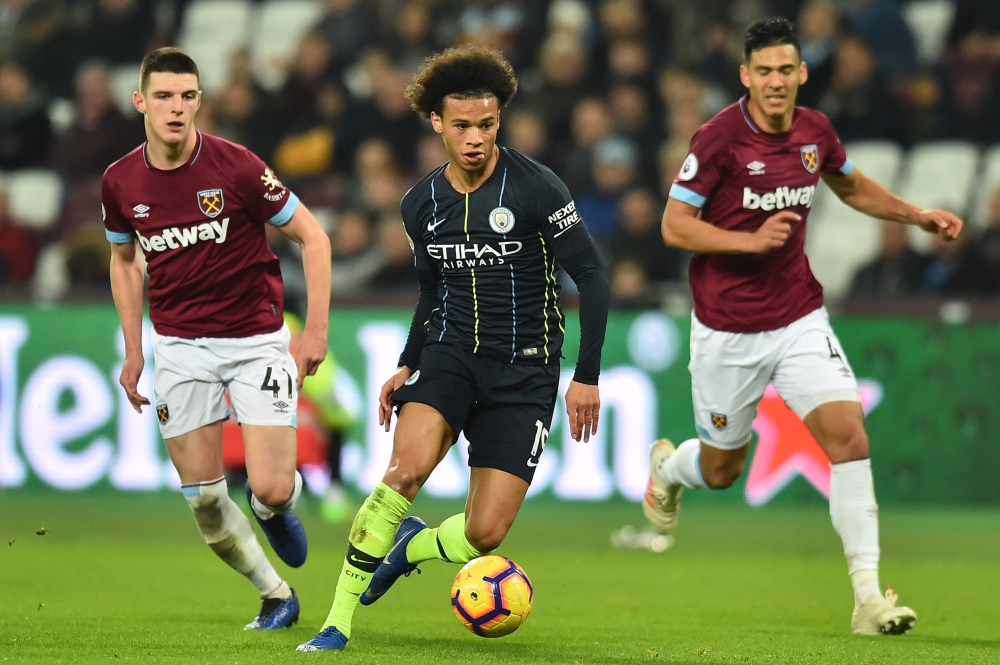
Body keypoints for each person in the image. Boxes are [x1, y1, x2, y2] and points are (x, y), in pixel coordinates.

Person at [646, 19, 962, 637]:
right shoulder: (717, 140)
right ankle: (667, 471)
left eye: (786, 70)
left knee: (848, 436)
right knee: (720, 472)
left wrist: (914, 214)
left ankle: (868, 597)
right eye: (763, 71)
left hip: (797, 316)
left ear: (802, 73)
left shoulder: (815, 130)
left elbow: (849, 185)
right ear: (746, 76)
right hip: (728, 331)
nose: (775, 82)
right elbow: (675, 226)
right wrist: (747, 240)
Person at [298, 45, 609, 652]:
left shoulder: (537, 188)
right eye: (462, 125)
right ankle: (336, 622)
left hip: (526, 372)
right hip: (450, 357)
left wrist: (586, 375)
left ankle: (410, 546)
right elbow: (431, 290)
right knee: (403, 471)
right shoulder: (420, 205)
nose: (475, 138)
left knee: (484, 534)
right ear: (437, 123)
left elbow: (592, 278)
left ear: (500, 122)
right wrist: (408, 361)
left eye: (487, 125)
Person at [101, 48, 332, 630]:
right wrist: (134, 349)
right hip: (179, 348)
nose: (176, 108)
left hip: (256, 340)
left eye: (186, 96)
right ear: (141, 102)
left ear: (199, 101)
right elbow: (125, 260)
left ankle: (271, 508)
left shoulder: (238, 167)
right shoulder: (120, 181)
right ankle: (276, 595)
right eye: (163, 96)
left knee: (273, 488)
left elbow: (314, 237)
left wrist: (316, 332)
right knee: (204, 501)